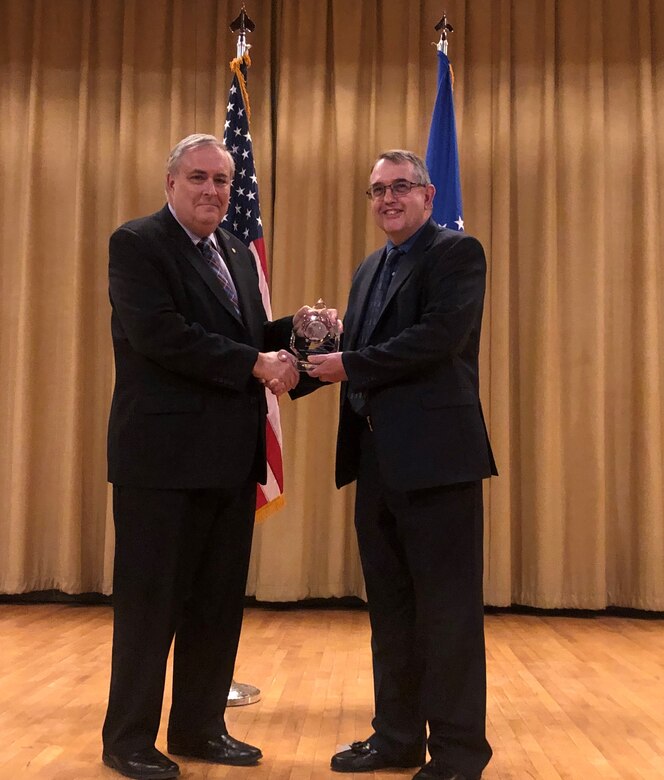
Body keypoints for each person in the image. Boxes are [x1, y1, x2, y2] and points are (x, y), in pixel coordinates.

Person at [102, 133, 303, 780]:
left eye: (222, 180)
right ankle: (128, 739)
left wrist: (300, 335)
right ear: (171, 183)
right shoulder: (137, 244)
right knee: (149, 607)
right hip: (160, 464)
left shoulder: (238, 254)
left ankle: (199, 728)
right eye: (199, 178)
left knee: (216, 606)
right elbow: (160, 335)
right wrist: (254, 361)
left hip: (229, 458)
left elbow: (245, 337)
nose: (213, 190)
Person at [307, 150, 497, 780]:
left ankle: (458, 753)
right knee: (390, 612)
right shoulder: (369, 269)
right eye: (377, 190)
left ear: (428, 193)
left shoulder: (456, 255)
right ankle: (395, 738)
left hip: (438, 464)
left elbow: (437, 338)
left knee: (447, 615)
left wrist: (351, 364)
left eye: (400, 187)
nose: (387, 198)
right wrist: (310, 354)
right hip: (377, 461)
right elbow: (356, 351)